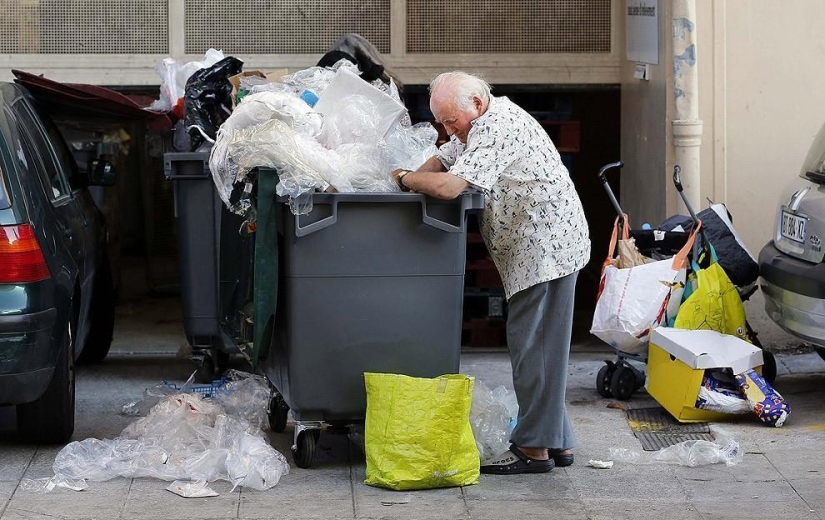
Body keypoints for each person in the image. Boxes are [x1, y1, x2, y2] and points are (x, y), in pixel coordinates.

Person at [392, 71, 591, 475]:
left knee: (532, 346)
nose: (448, 131)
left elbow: (449, 188)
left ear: (477, 106)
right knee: (544, 346)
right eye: (442, 123)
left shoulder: (498, 126)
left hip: (546, 247)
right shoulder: (474, 128)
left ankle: (534, 449)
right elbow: (442, 160)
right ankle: (559, 442)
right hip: (539, 246)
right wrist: (409, 174)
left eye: (451, 122)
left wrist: (404, 180)